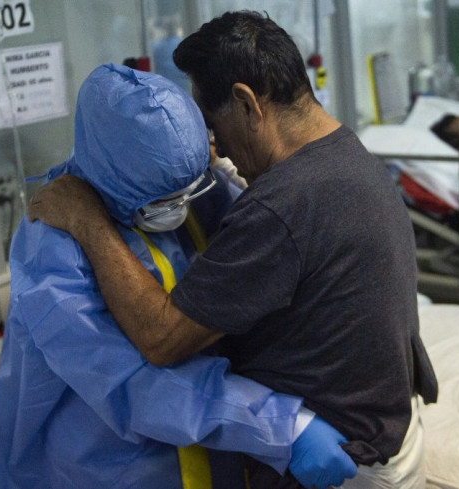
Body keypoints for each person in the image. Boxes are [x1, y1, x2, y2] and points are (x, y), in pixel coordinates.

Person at [28, 11, 438, 489]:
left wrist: (89, 222)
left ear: (246, 102)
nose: (215, 148)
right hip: (390, 428)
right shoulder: (348, 156)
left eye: (211, 125)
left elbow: (161, 340)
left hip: (339, 461)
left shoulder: (282, 206)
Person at [0, 63, 358, 489]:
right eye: (163, 199)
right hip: (109, 469)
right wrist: (280, 427)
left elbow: (257, 249)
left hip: (217, 455)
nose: (179, 208)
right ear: (116, 175)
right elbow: (126, 380)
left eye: (188, 189)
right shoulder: (53, 243)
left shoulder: (196, 188)